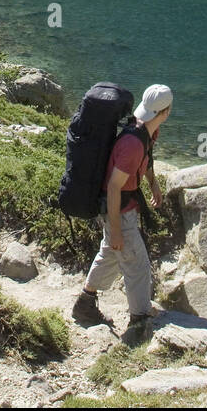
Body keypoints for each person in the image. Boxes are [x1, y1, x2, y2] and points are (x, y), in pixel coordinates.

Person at [72, 84, 172, 334]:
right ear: (166, 111)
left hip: (119, 209)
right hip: (119, 211)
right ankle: (139, 322)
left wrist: (153, 185)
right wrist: (116, 229)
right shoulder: (132, 145)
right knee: (137, 266)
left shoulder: (145, 130)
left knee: (110, 254)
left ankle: (85, 302)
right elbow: (115, 187)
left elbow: (146, 161)